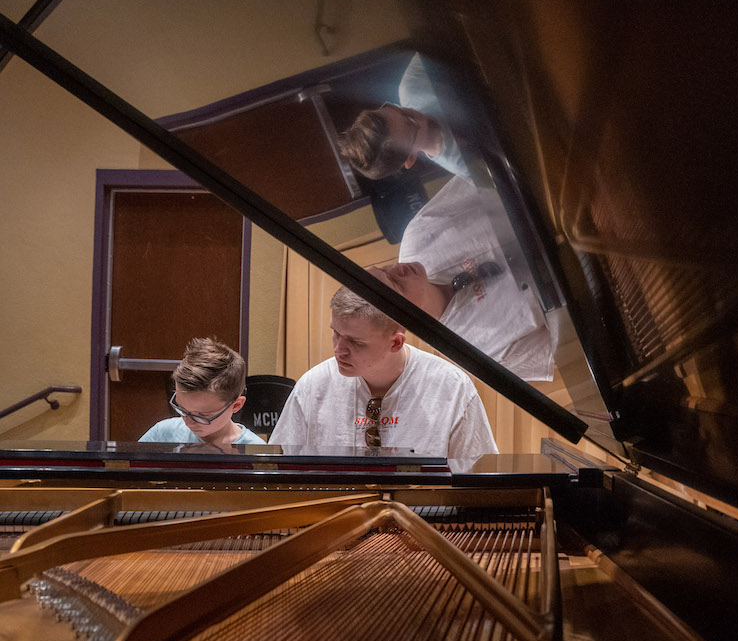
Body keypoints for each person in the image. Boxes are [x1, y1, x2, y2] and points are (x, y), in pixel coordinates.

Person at [269, 286, 498, 459]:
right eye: (336, 333)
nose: (338, 350)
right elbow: (277, 472)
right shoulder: (312, 386)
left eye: (356, 343)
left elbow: (477, 480)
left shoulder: (452, 387)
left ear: (396, 343)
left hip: (425, 520)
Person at [369, 177, 555, 382]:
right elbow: (564, 348)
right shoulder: (474, 352)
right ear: (401, 324)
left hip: (549, 193)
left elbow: (479, 176)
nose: (398, 267)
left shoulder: (417, 236)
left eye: (385, 268)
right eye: (396, 283)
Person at [338, 54, 470, 181]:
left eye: (399, 110)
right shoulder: (462, 163)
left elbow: (437, 39)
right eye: (411, 126)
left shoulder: (412, 86)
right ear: (410, 159)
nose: (413, 113)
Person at [139, 337, 264, 446]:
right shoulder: (163, 434)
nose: (189, 423)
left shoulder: (254, 451)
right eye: (182, 409)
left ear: (236, 405)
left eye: (202, 416)